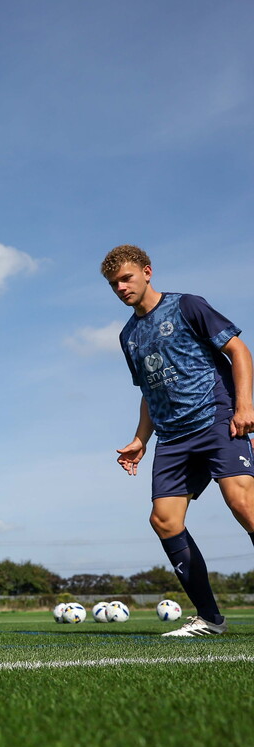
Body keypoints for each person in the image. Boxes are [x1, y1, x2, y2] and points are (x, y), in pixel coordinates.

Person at [102, 244, 254, 637]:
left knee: (243, 504)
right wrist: (140, 439)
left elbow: (238, 350)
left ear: (147, 272)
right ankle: (210, 619)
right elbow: (149, 391)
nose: (121, 287)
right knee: (164, 521)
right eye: (113, 283)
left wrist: (243, 407)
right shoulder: (128, 335)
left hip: (216, 418)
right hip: (172, 437)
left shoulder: (187, 305)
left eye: (126, 278)